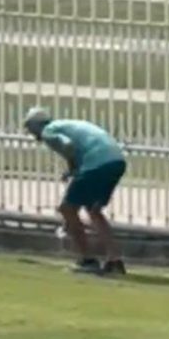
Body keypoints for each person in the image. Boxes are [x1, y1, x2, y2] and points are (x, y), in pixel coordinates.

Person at [23, 107, 127, 275]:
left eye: (29, 128)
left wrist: (74, 167)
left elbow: (68, 146)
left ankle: (87, 260)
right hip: (115, 161)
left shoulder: (49, 131)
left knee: (67, 209)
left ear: (36, 125)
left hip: (96, 163)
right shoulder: (65, 124)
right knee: (94, 211)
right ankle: (114, 260)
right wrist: (74, 169)